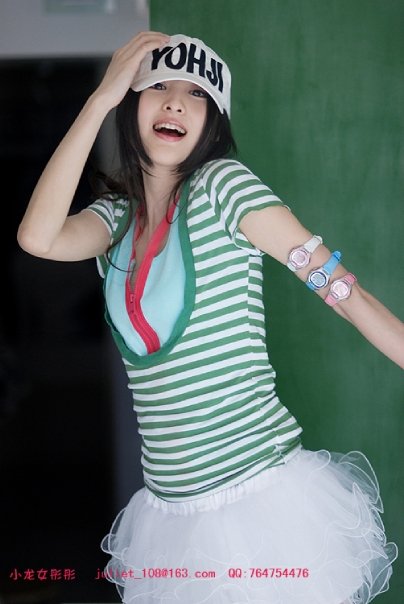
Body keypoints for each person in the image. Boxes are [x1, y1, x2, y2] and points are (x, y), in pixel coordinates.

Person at [18, 31, 403, 604]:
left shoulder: (224, 187)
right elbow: (38, 237)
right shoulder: (114, 220)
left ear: (213, 123)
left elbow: (343, 292)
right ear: (131, 102)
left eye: (197, 94)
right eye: (159, 87)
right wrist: (99, 99)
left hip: (259, 504)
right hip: (170, 519)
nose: (176, 102)